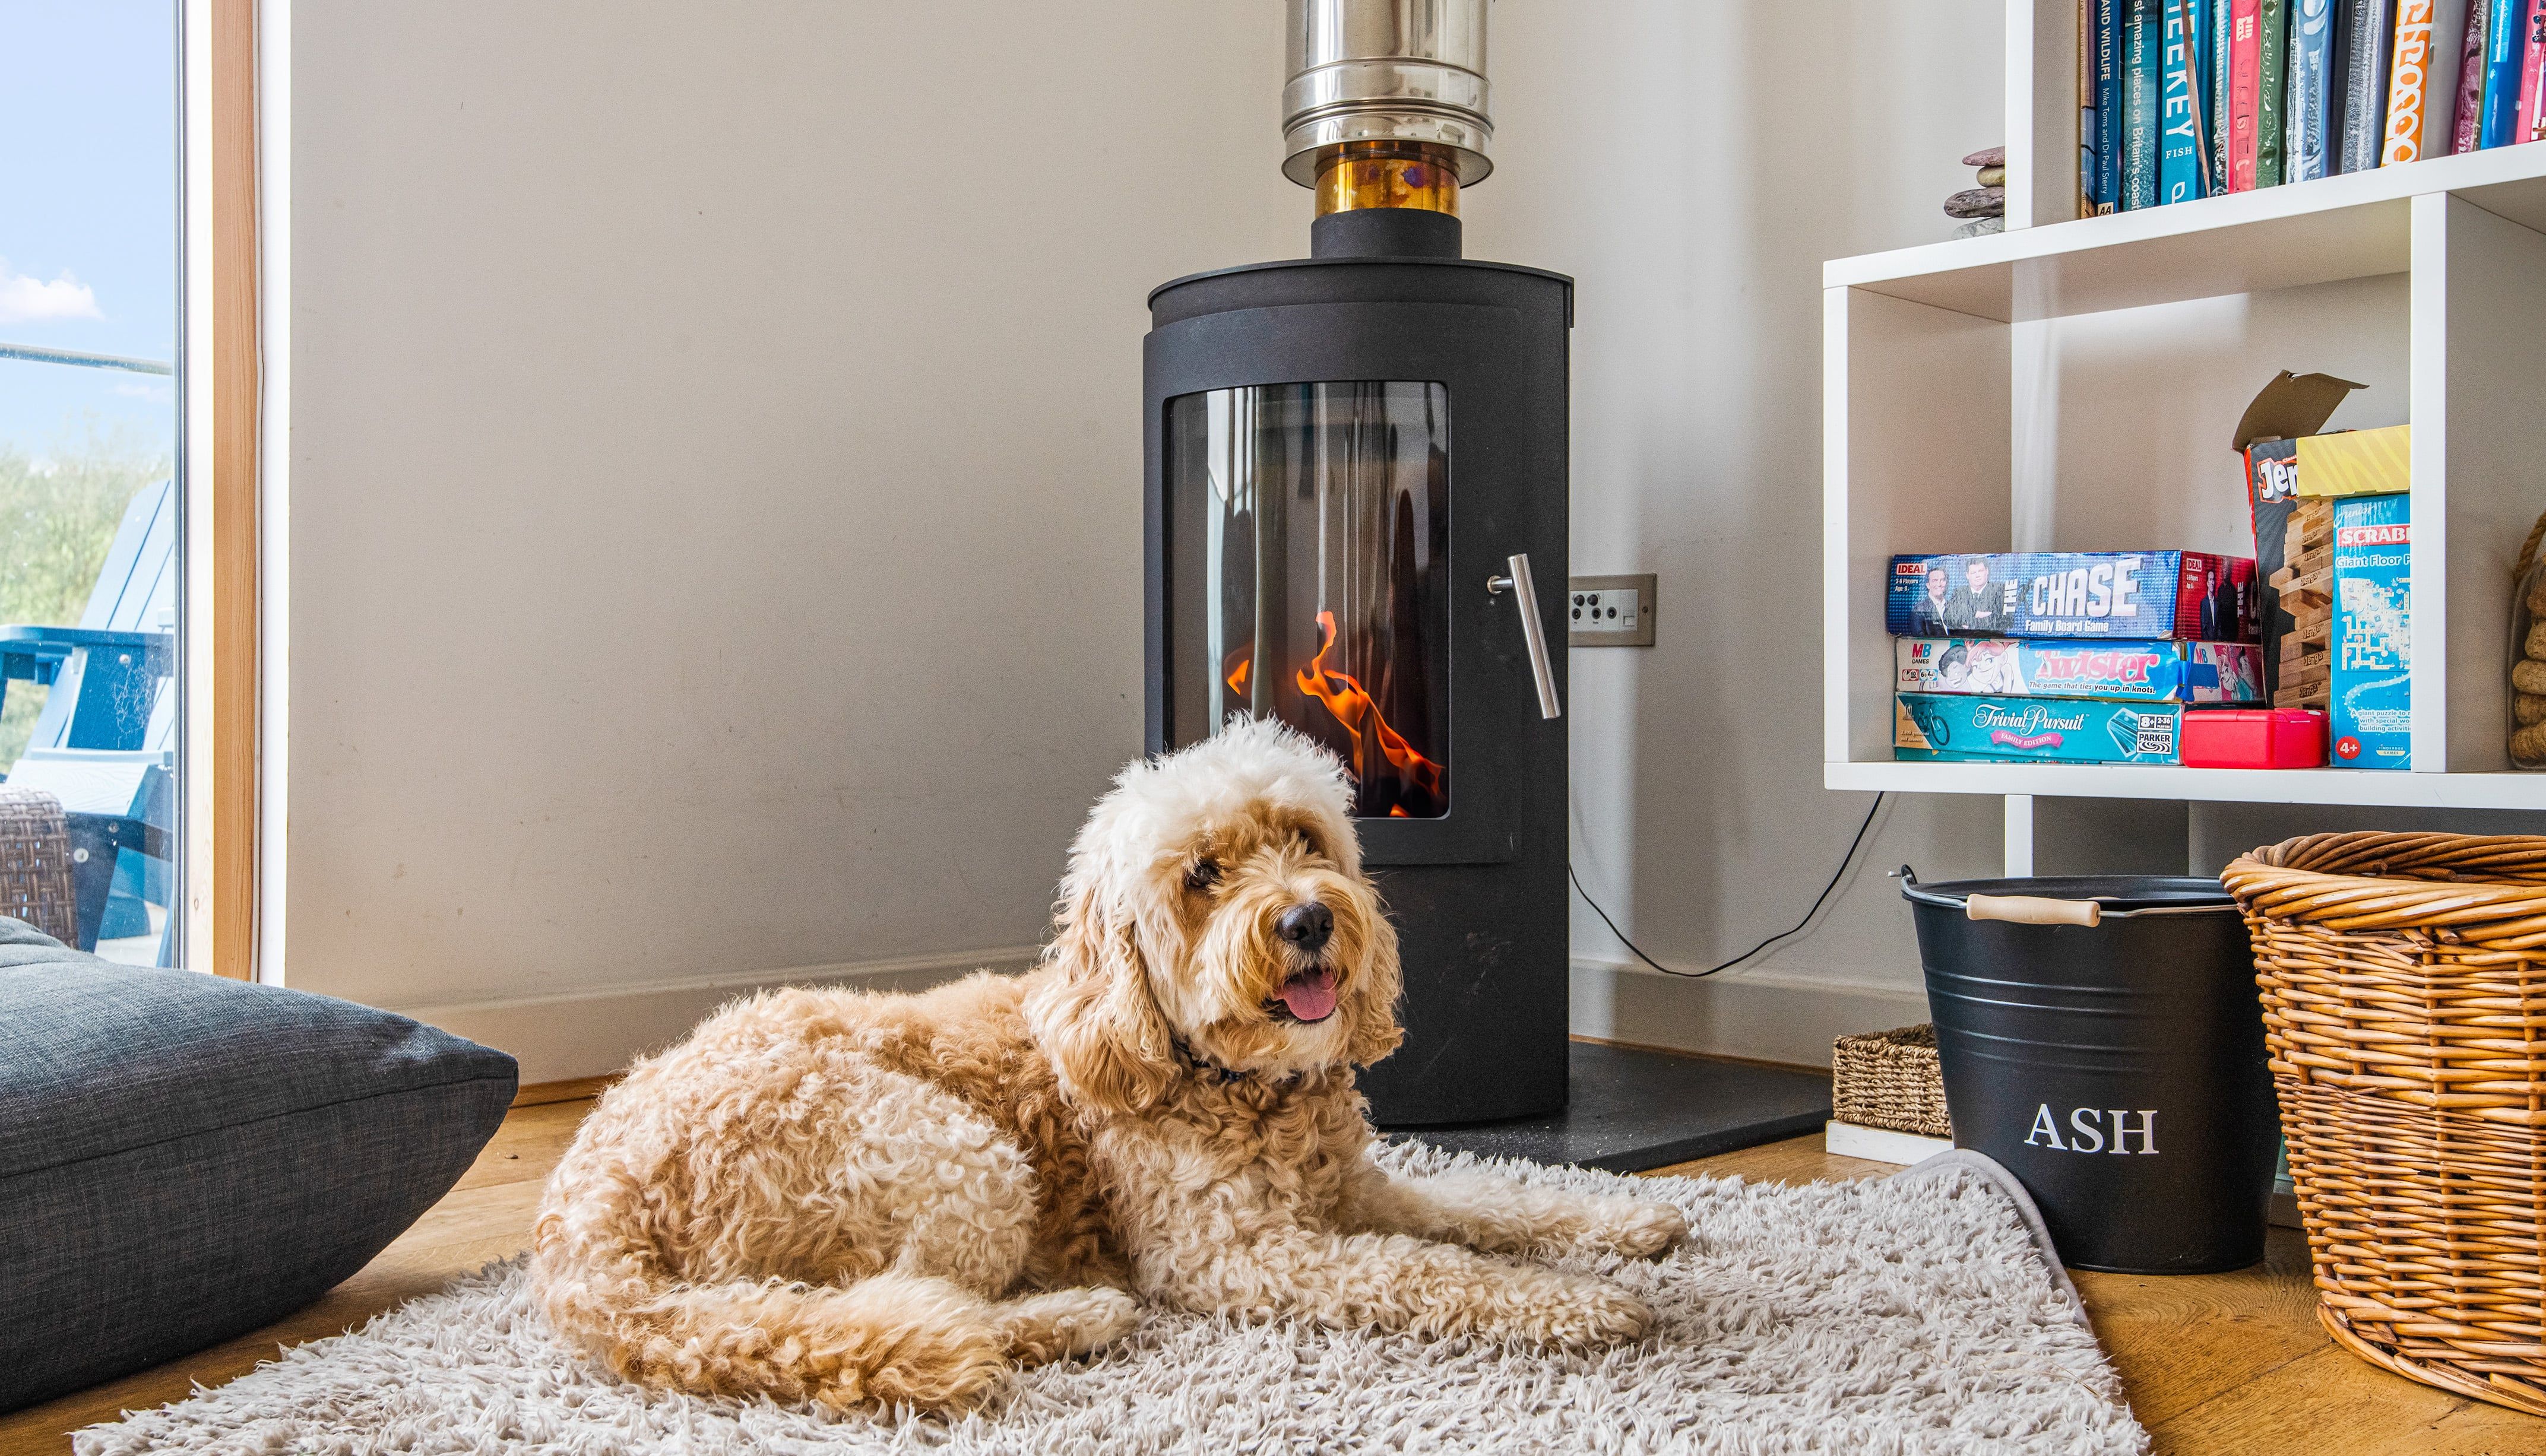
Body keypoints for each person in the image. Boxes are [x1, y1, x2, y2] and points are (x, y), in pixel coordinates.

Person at [1944, 557, 2002, 632]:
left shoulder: (1997, 591)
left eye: (1980, 571)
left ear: (1987, 571)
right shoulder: (1959, 593)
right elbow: (1948, 617)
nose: (1977, 576)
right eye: (1973, 573)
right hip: (1963, 640)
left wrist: (1964, 620)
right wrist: (1976, 614)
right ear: (1967, 575)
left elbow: (1998, 621)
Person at [1907, 563, 1953, 636]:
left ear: (1946, 583)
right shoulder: (1919, 610)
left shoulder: (1952, 607)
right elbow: (1919, 639)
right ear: (1928, 585)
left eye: (1942, 580)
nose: (1939, 584)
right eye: (1935, 580)